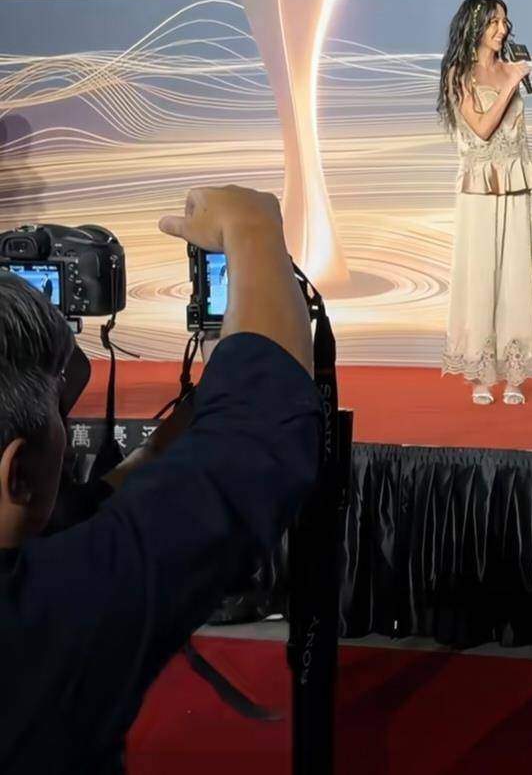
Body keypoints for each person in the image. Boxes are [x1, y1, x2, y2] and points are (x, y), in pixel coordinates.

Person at [0, 185, 320, 774]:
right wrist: (251, 227)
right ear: (18, 475)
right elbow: (257, 436)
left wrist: (180, 430)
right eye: (56, 415)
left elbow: (91, 510)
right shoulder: (53, 615)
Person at [437, 0, 532, 406]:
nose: (502, 29)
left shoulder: (509, 67)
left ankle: (514, 371)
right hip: (478, 190)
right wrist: (511, 84)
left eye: (504, 21)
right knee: (480, 274)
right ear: (475, 26)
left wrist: (512, 76)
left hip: (513, 184)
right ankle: (480, 373)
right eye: (494, 22)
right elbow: (480, 129)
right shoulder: (459, 74)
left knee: (516, 276)